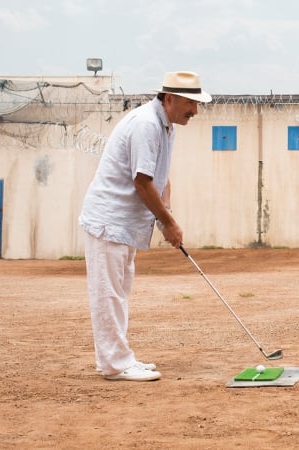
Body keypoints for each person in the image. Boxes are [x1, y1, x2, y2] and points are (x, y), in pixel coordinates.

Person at [79, 71, 211, 381]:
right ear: (170, 98)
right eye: (190, 103)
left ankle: (120, 358)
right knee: (108, 294)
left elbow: (160, 177)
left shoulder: (166, 126)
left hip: (124, 223)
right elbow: (142, 182)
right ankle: (114, 364)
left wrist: (167, 215)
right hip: (109, 220)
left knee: (119, 292)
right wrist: (169, 223)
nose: (195, 111)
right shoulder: (147, 125)